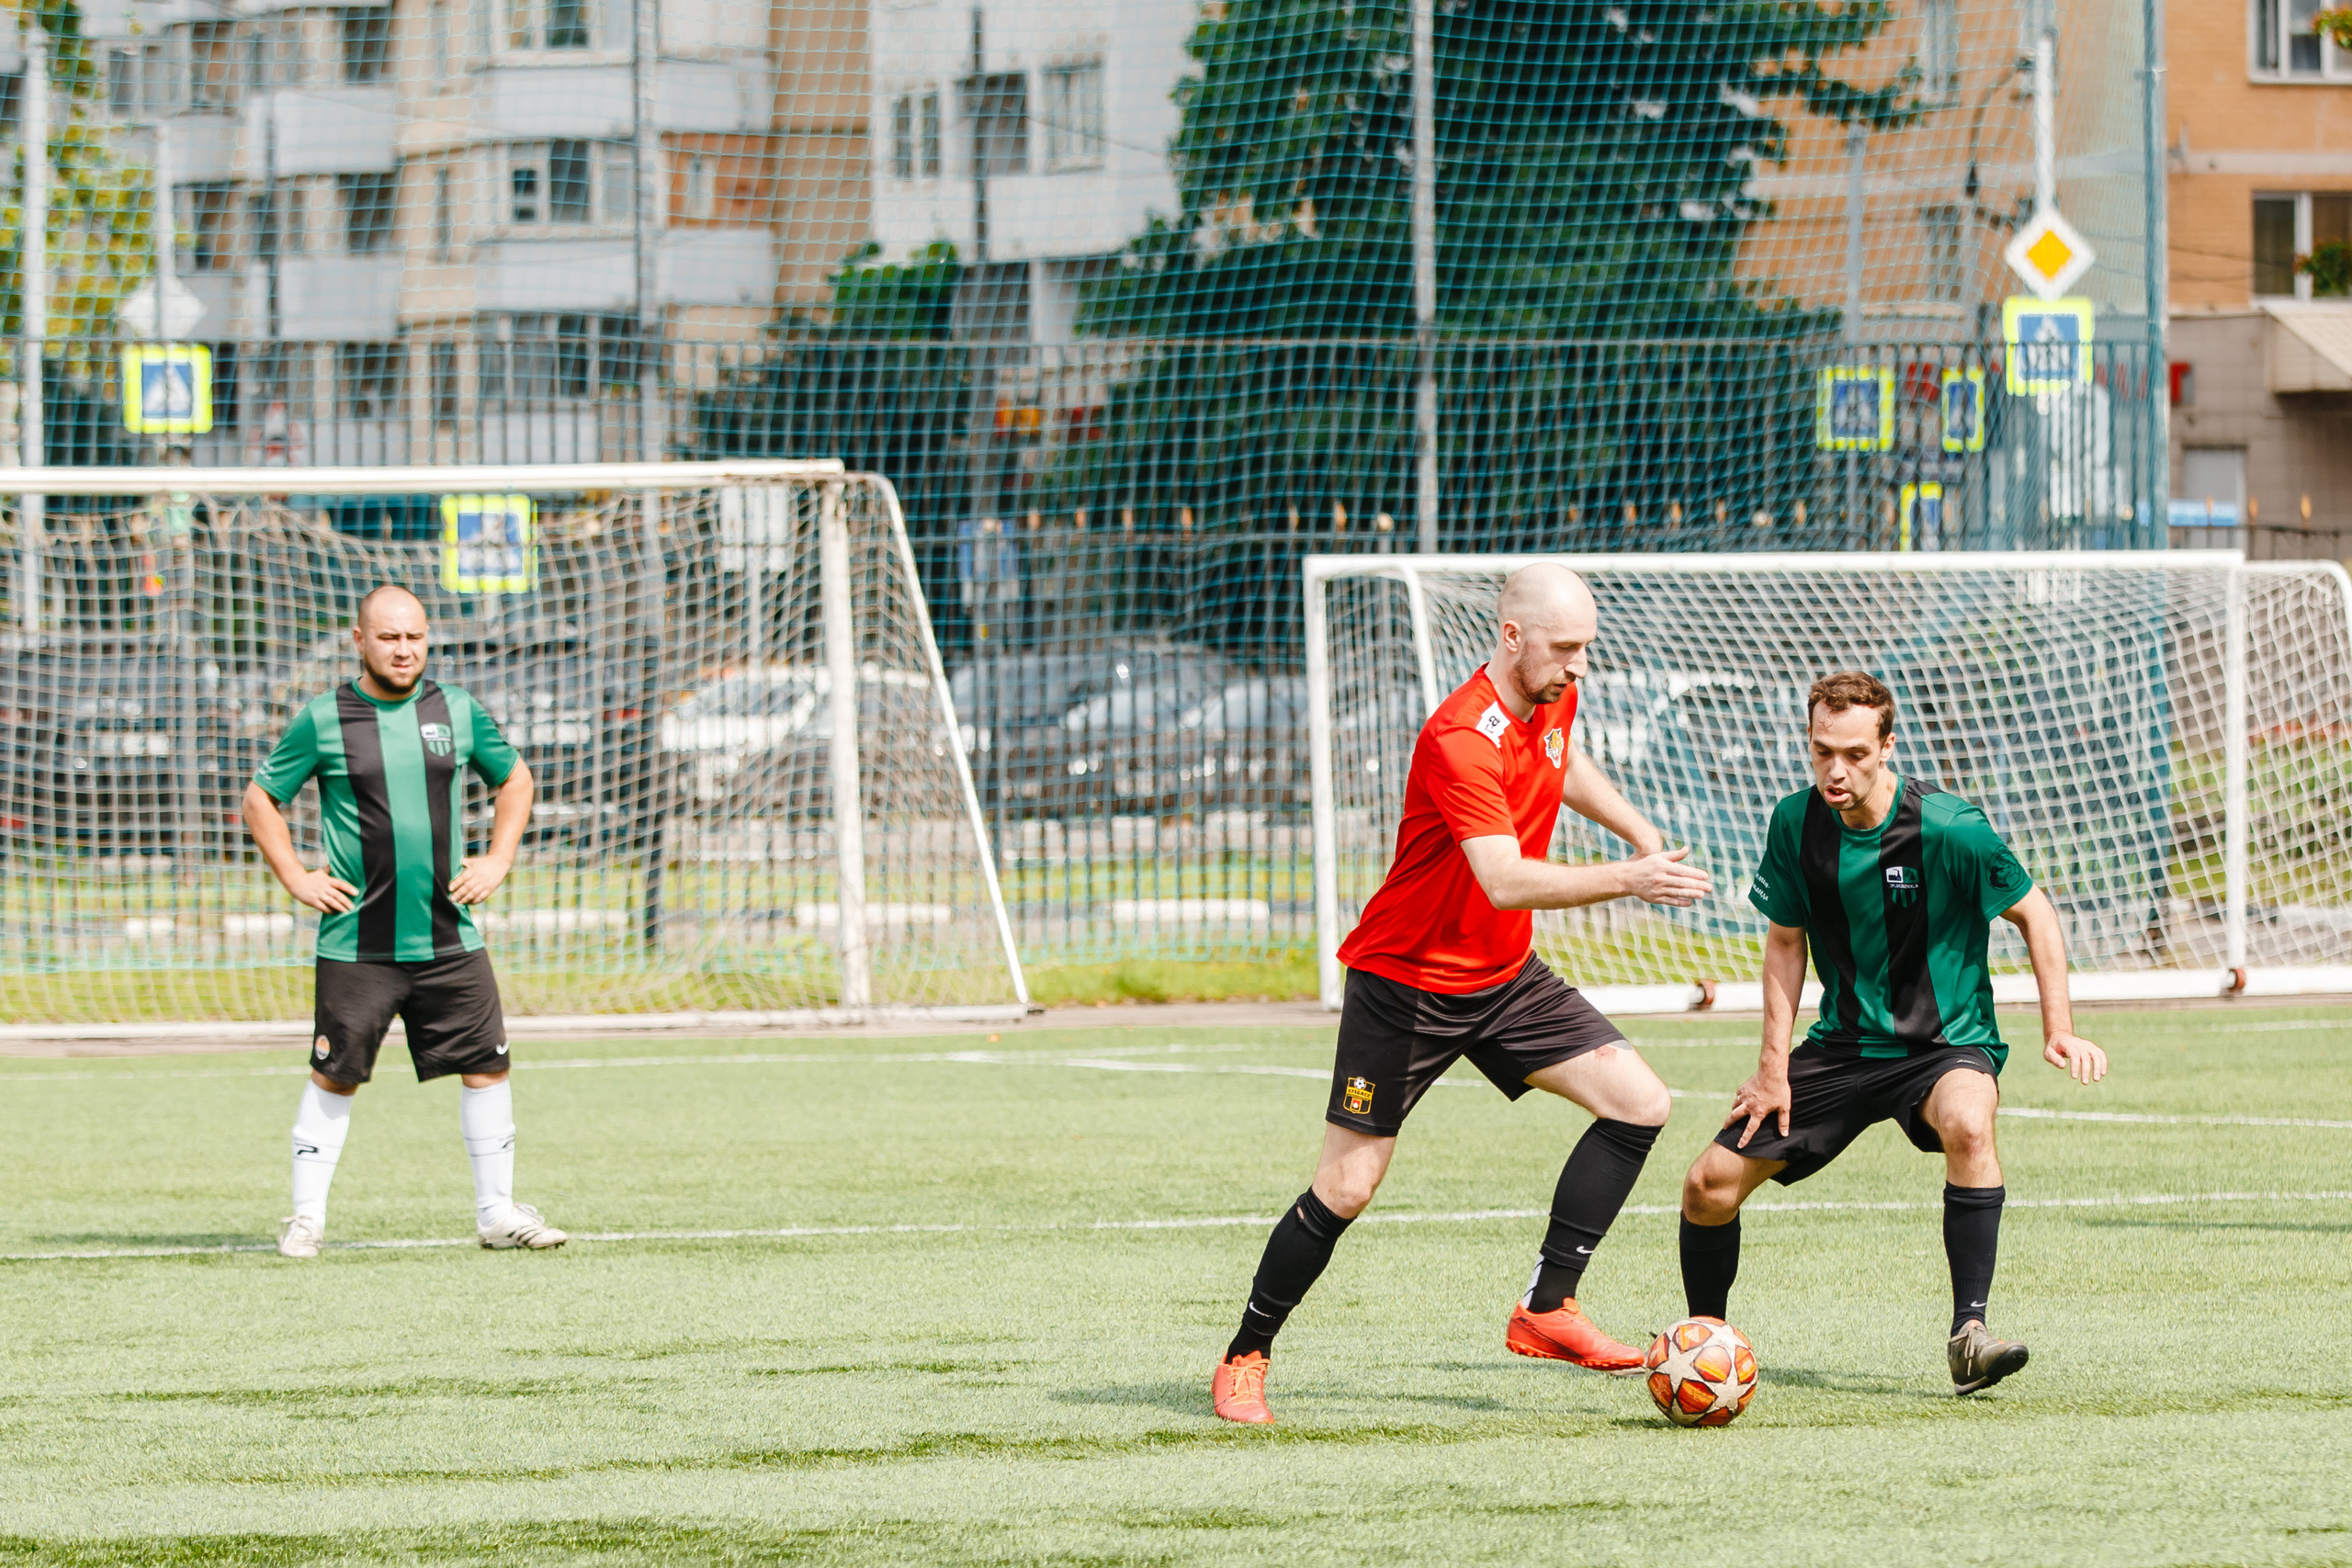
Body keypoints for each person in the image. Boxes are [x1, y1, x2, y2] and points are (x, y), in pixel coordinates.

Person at [1211, 563, 1714, 1425]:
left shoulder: (1551, 695)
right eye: (1565, 649)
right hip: (1405, 984)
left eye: (1587, 648)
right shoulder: (1459, 736)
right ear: (1511, 637)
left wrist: (1633, 824)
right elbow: (1504, 878)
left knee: (1640, 1102)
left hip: (1502, 977)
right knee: (1349, 1185)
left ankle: (1547, 1308)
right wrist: (1629, 875)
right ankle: (1246, 1352)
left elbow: (1564, 759)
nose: (1579, 667)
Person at [1678, 671, 2108, 1395]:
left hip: (1945, 1047)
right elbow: (1786, 943)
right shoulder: (1795, 822)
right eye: (1821, 753)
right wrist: (1772, 1067)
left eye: (1853, 753)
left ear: (1888, 745)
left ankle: (1970, 1334)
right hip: (1843, 1046)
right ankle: (1703, 1348)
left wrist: (2058, 1028)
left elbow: (2036, 911)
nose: (1835, 771)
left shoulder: (1950, 826)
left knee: (1971, 1122)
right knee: (1706, 1187)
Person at [243, 584, 567, 1258]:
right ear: (358, 640)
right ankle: (307, 1218)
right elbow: (261, 797)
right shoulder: (324, 717)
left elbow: (515, 780)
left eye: (415, 636)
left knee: (486, 1066)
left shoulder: (458, 710)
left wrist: (499, 858)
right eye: (389, 637)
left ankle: (497, 1212)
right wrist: (297, 877)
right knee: (336, 1073)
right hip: (357, 940)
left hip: (450, 936)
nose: (404, 649)